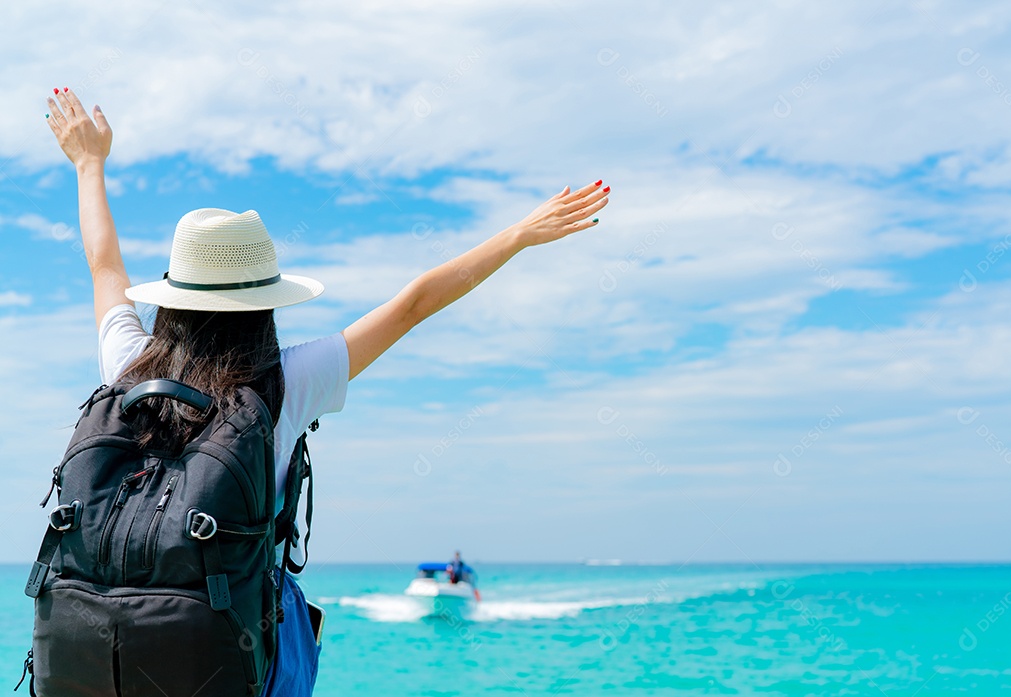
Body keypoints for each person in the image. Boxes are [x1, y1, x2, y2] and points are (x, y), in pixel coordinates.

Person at [43, 86, 610, 694]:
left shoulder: (127, 364)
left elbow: (104, 266)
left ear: (173, 296)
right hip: (229, 647)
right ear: (264, 302)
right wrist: (518, 235)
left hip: (102, 645)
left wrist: (88, 165)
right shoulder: (284, 384)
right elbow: (414, 303)